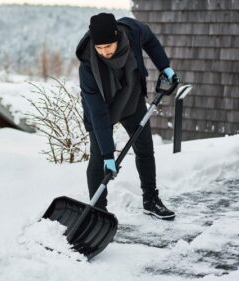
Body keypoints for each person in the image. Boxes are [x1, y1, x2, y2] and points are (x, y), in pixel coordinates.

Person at [75, 13, 176, 220]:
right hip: (101, 108)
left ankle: (150, 199)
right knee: (98, 159)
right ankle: (99, 211)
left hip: (131, 99)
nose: (104, 52)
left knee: (145, 150)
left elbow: (150, 40)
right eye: (99, 48)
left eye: (108, 46)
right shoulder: (87, 66)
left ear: (117, 36)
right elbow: (98, 113)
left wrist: (164, 66)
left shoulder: (131, 30)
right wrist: (107, 154)